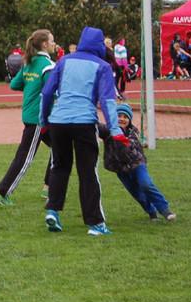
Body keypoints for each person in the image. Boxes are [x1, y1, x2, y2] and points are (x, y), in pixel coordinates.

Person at [40, 26, 128, 236]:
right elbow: (107, 100)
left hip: (58, 121)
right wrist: (115, 129)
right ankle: (95, 223)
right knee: (87, 172)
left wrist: (44, 121)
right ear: (99, 45)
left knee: (59, 167)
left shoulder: (64, 61)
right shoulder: (102, 66)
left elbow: (47, 93)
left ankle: (53, 211)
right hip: (84, 122)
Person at [0, 29, 56, 206]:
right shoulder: (48, 65)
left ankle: (49, 187)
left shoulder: (29, 62)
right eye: (52, 41)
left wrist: (31, 88)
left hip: (33, 116)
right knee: (24, 158)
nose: (54, 44)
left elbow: (14, 84)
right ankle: (2, 193)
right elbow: (51, 91)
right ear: (44, 44)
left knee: (60, 147)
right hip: (39, 119)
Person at [99, 104, 177, 221]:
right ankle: (151, 212)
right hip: (121, 168)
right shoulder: (108, 131)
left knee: (146, 184)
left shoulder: (133, 132)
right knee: (136, 192)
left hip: (137, 164)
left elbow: (132, 149)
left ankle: (165, 209)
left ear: (129, 120)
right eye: (119, 116)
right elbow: (98, 128)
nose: (122, 119)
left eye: (125, 117)